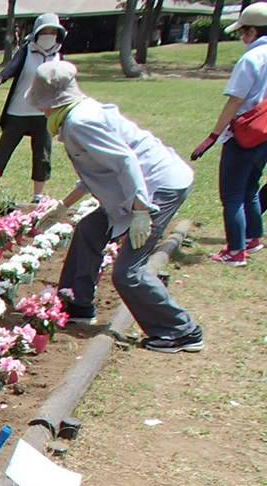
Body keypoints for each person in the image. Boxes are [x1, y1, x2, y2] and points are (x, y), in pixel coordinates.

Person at [31, 61, 204, 354]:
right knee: (89, 229)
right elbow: (98, 170)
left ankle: (181, 330)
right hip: (139, 189)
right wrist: (63, 207)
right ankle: (77, 302)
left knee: (128, 272)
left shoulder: (79, 122)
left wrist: (140, 212)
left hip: (158, 188)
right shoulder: (79, 114)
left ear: (49, 102)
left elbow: (125, 161)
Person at [190, 2, 267, 266]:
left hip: (244, 132)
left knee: (232, 194)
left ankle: (236, 252)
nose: (242, 37)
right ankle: (253, 238)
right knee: (251, 188)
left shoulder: (251, 59)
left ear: (254, 31)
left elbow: (235, 100)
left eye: (243, 32)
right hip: (265, 132)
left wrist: (213, 136)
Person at [0, 14, 66, 204]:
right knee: (2, 153)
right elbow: (11, 68)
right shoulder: (27, 51)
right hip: (18, 113)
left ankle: (38, 197)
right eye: (45, 31)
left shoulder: (58, 56)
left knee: (43, 156)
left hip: (43, 114)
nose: (49, 35)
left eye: (53, 32)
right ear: (37, 33)